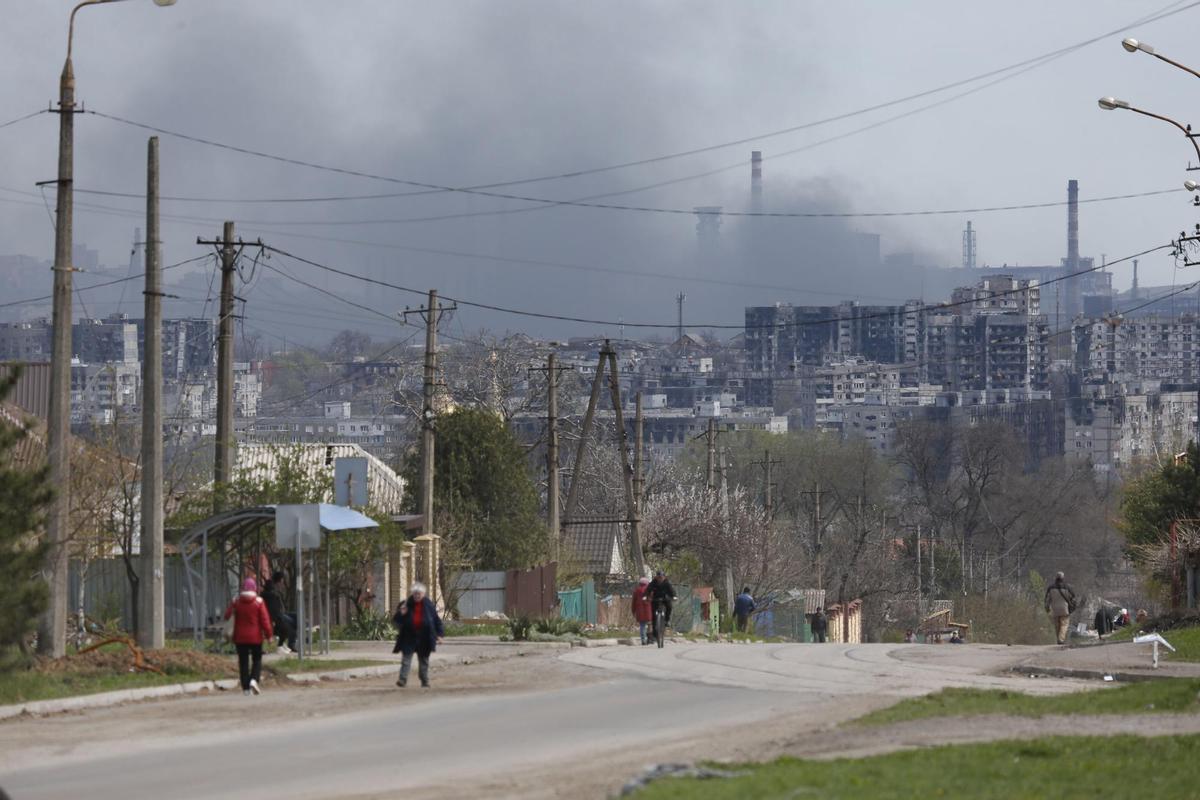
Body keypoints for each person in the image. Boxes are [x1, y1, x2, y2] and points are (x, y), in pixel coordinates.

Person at [224, 577, 273, 696]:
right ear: (254, 588)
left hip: (240, 638)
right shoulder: (259, 602)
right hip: (255, 637)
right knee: (257, 659)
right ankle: (254, 680)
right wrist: (269, 635)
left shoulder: (236, 601)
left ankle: (245, 688)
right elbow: (265, 620)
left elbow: (227, 616)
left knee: (243, 662)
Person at [392, 582, 444, 688]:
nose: (417, 596)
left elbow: (436, 621)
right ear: (412, 594)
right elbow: (396, 620)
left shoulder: (429, 605)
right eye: (415, 594)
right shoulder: (406, 604)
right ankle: (402, 680)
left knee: (423, 661)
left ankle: (425, 681)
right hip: (409, 637)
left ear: (423, 594)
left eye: (419, 594)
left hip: (424, 638)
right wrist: (401, 614)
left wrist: (439, 635)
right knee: (406, 660)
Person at [261, 571, 296, 655]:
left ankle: (284, 644)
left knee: (295, 618)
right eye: (282, 580)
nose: (283, 582)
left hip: (278, 613)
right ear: (280, 580)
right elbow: (272, 607)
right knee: (289, 626)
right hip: (275, 614)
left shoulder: (273, 588)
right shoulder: (272, 590)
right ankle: (284, 645)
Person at [1044, 571, 1077, 645]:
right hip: (1065, 609)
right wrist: (1072, 608)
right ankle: (1060, 639)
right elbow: (1073, 598)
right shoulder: (1067, 587)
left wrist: (1047, 608)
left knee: (1057, 625)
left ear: (1056, 578)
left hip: (1054, 609)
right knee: (1064, 624)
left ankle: (1059, 639)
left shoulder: (1051, 587)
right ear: (1063, 578)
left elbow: (1047, 599)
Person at [644, 571, 676, 639]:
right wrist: (645, 596)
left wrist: (674, 596)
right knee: (653, 615)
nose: (660, 579)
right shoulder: (653, 583)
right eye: (658, 577)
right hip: (655, 599)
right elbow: (648, 589)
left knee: (669, 606)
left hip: (665, 599)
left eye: (661, 577)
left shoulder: (667, 583)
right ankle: (655, 634)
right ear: (656, 577)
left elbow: (672, 590)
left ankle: (667, 620)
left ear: (664, 577)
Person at [632, 576, 653, 645]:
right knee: (649, 624)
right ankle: (649, 639)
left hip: (639, 610)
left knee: (642, 626)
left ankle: (643, 640)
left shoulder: (636, 591)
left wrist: (633, 611)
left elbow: (634, 602)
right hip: (648, 610)